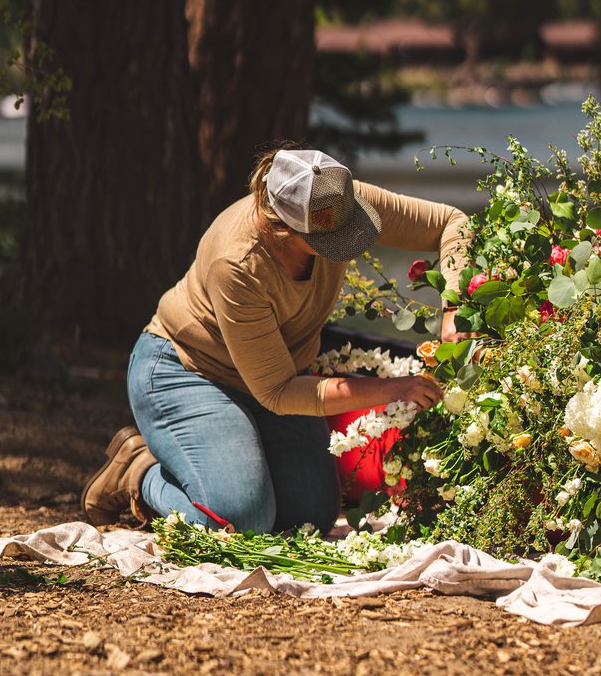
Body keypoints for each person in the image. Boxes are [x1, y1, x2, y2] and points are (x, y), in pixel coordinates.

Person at [81, 147, 468, 533]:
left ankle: (234, 461)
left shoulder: (337, 201)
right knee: (241, 520)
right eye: (336, 240)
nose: (352, 243)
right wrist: (394, 389)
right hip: (190, 370)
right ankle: (139, 472)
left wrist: (455, 306)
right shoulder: (236, 263)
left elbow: (453, 222)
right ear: (281, 226)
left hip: (278, 372)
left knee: (310, 518)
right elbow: (279, 393)